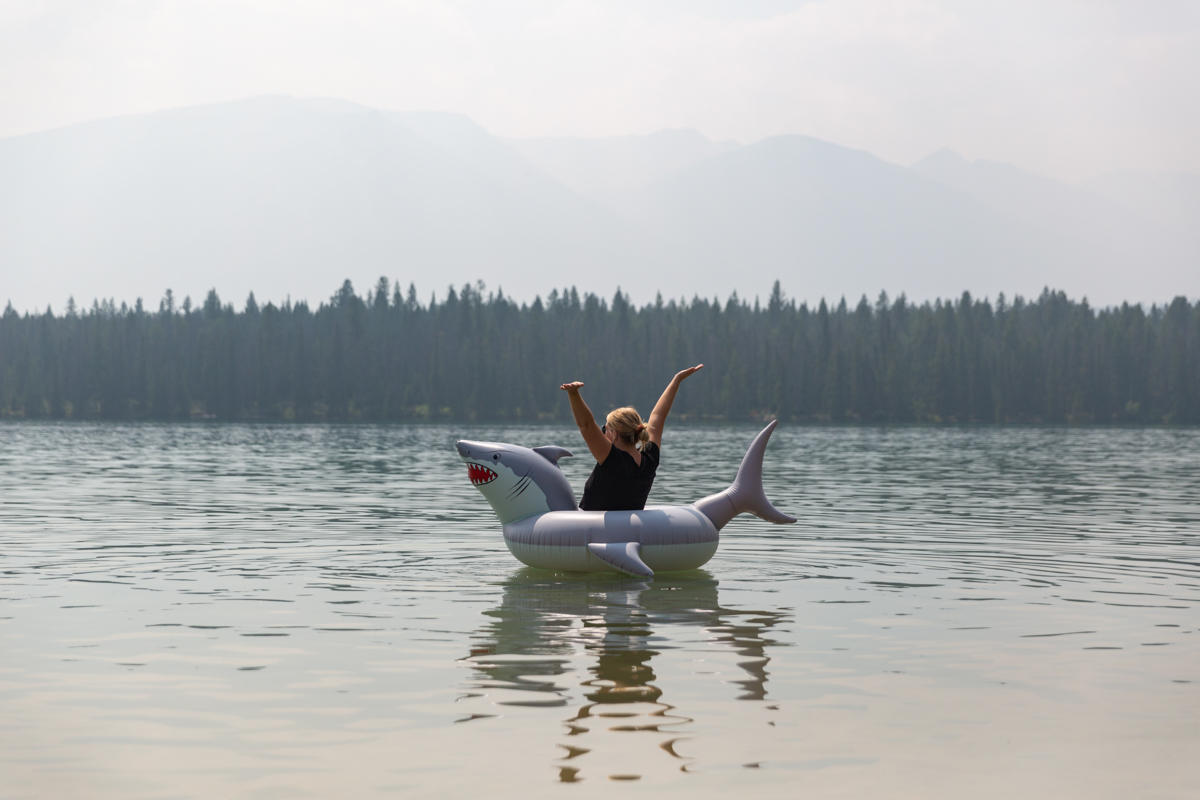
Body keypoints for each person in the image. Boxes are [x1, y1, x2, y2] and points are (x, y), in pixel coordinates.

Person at [560, 365, 704, 511]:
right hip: (629, 525)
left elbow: (586, 425)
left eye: (605, 429)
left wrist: (573, 393)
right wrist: (676, 380)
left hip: (592, 524)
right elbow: (658, 416)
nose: (602, 433)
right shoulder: (649, 460)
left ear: (615, 434)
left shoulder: (611, 459)